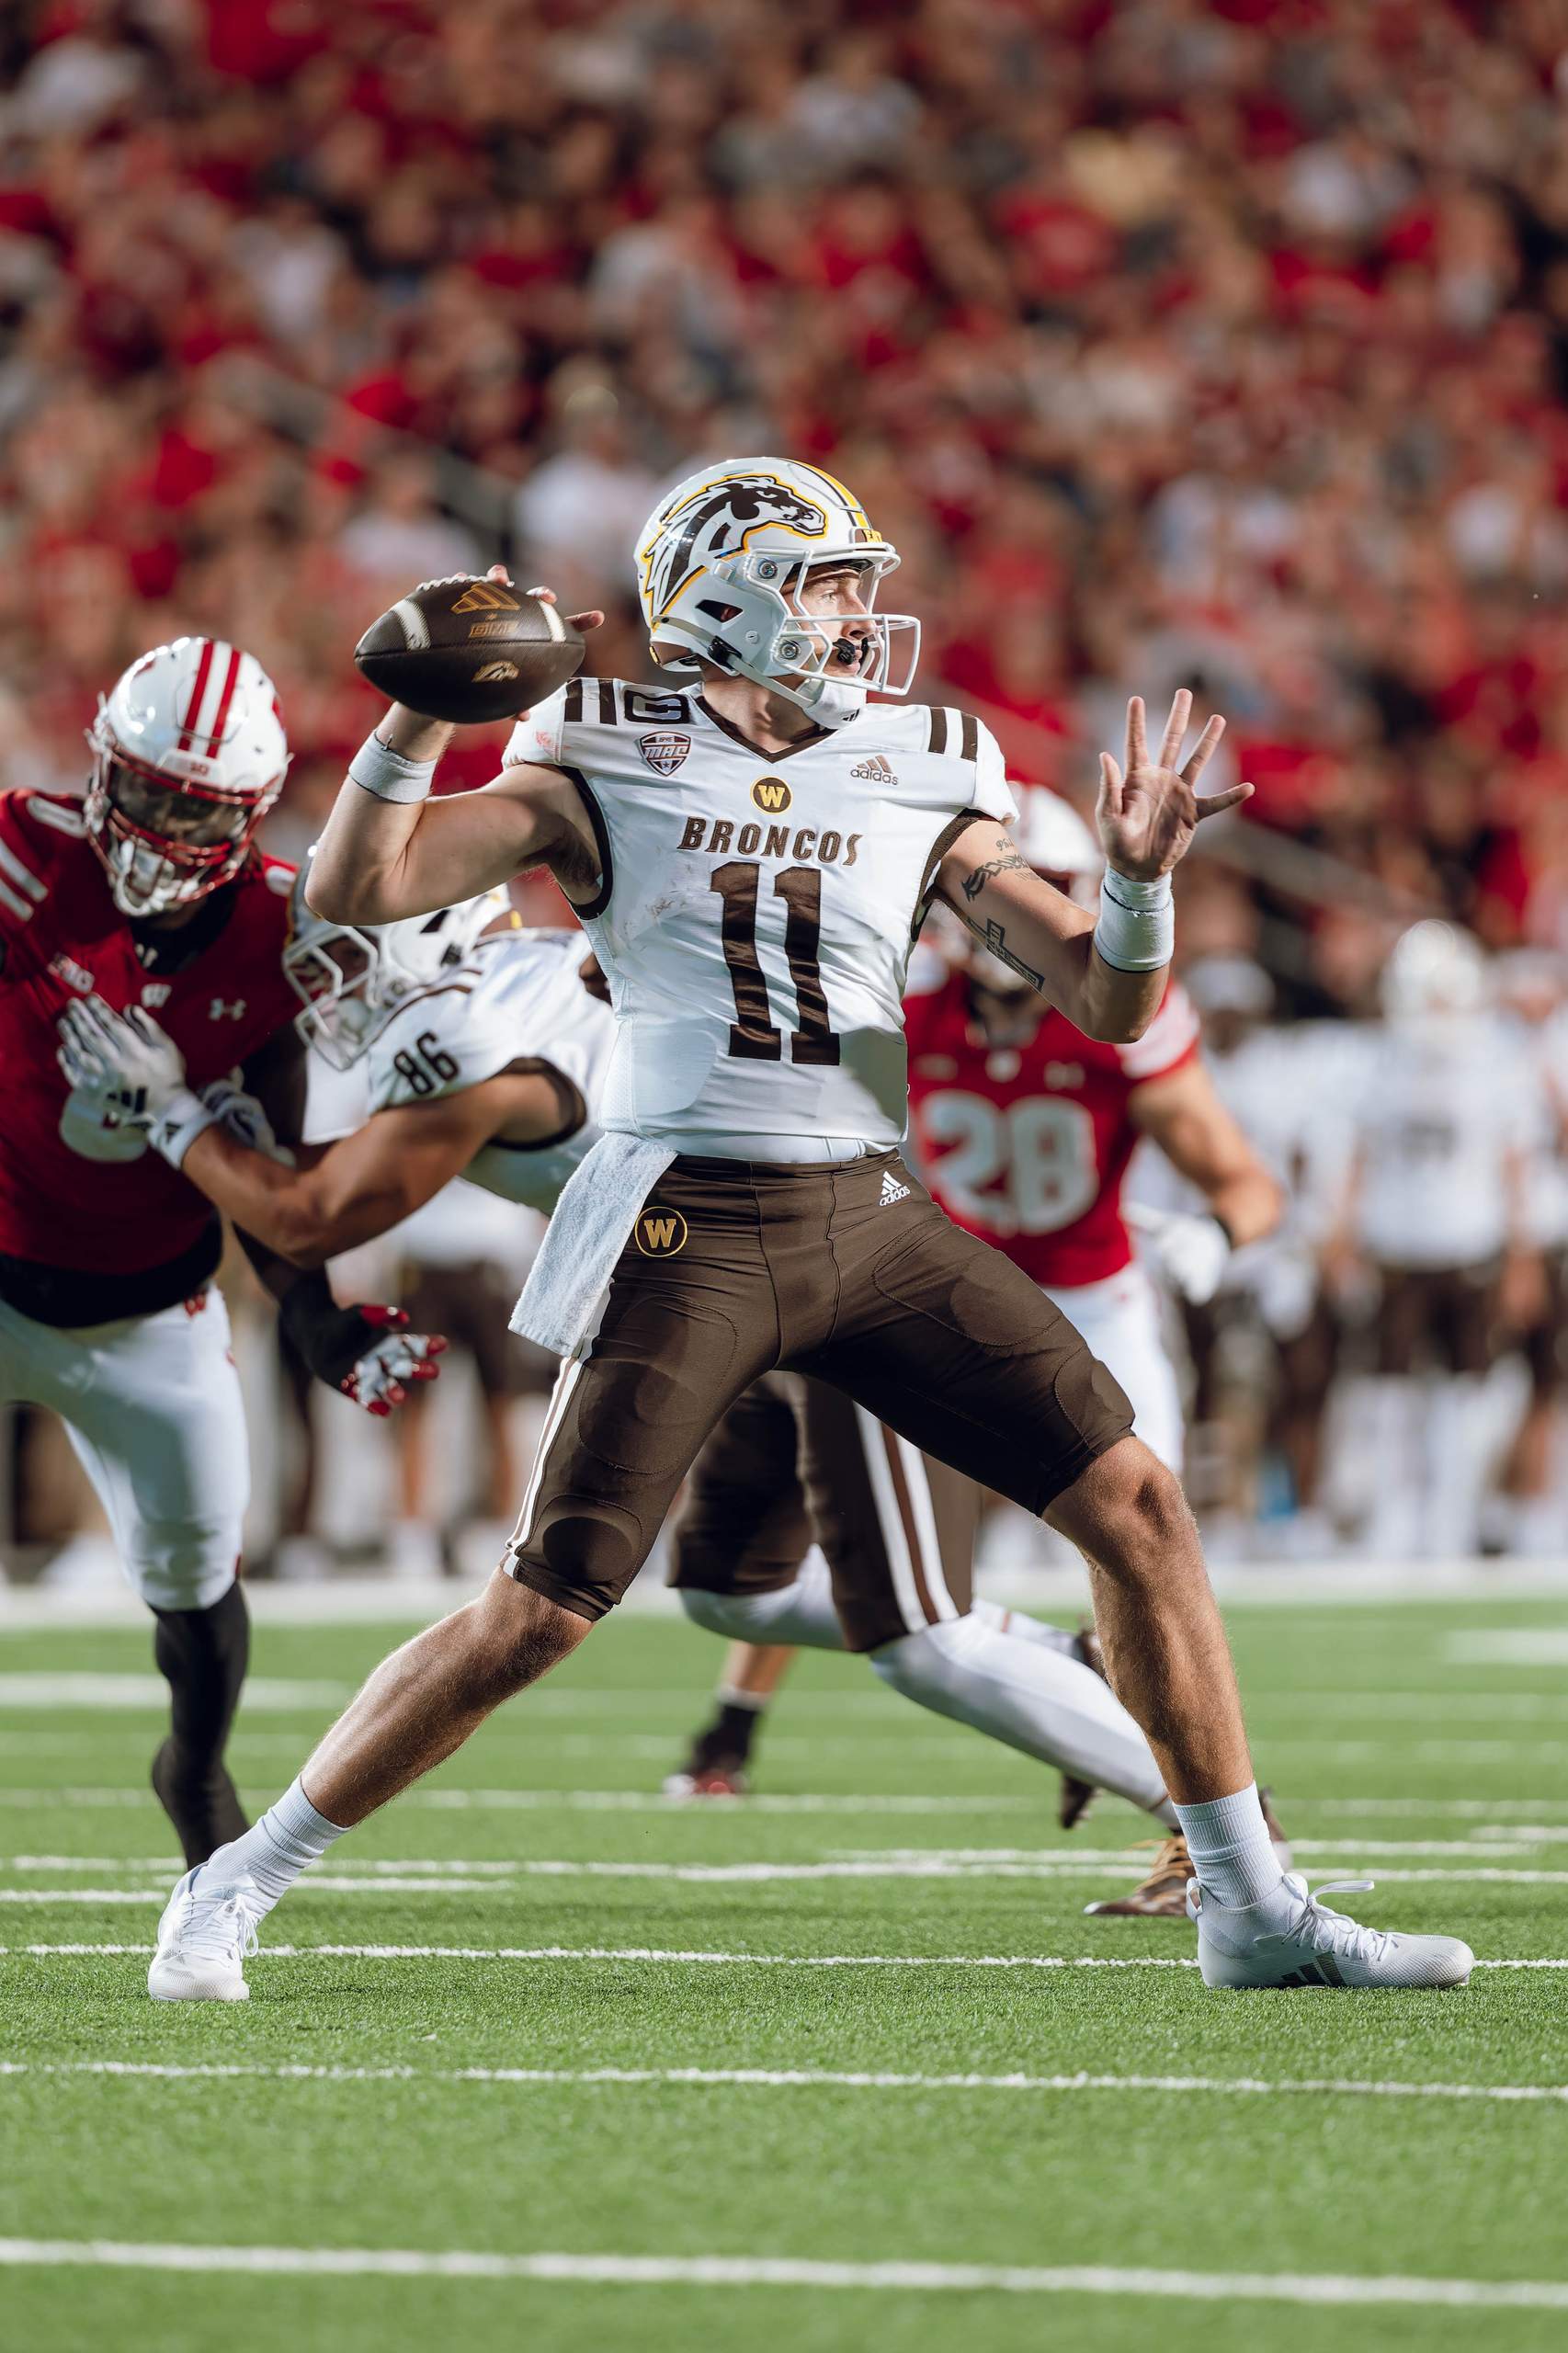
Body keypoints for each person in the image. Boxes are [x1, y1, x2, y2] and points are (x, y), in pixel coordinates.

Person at [136, 459, 1471, 1997]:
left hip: (869, 1207)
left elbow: (1105, 1002)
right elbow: (366, 884)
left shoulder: (919, 759)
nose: (859, 614)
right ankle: (236, 1882)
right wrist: (417, 711)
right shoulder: (603, 746)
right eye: (830, 582)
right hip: (685, 1216)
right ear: (729, 592)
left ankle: (1248, 1904)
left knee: (1138, 1506)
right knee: (542, 1610)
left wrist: (1136, 885)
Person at [76, 873, 1233, 1911]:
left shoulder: (470, 1041)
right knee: (730, 1589)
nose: (324, 990)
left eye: (345, 956)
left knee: (913, 1637)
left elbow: (312, 1214)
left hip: (804, 1257)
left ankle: (1213, 1826)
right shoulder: (518, 967)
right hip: (694, 1292)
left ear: (427, 936)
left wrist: (178, 1117)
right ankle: (1068, 1662)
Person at [665, 785, 1287, 1916]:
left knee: (1132, 1550)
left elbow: (1246, 1181)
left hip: (1094, 1306)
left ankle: (1203, 1836)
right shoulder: (893, 1007)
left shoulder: (1115, 1007)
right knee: (829, 1532)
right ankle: (1044, 1684)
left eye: (1049, 887)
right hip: (940, 1303)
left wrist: (1209, 1236)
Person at [6, 635, 441, 1868]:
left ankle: (191, 1772)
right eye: (140, 789)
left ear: (247, 813)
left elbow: (275, 1158)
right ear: (102, 769)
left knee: (196, 1591)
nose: (153, 826)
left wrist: (316, 1316)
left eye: (190, 807)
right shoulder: (24, 853)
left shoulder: (281, 934)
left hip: (150, 1312)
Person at [1329, 921, 1540, 1560]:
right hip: (1396, 1246)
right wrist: (1342, 1231)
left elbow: (1514, 1161)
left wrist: (1522, 1253)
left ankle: (1453, 1511)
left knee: (1469, 1386)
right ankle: (1397, 1514)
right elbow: (1359, 1152)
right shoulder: (1380, 1060)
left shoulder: (1495, 1060)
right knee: (1388, 1386)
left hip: (1469, 1243)